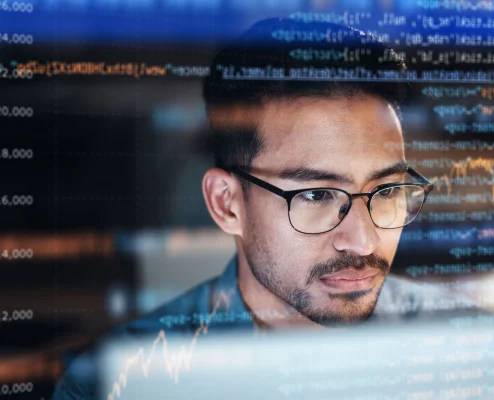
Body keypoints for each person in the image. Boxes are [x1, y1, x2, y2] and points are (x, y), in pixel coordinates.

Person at [52, 17, 461, 400]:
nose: (362, 240)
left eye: (387, 189)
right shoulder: (113, 382)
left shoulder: (462, 341)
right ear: (227, 204)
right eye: (317, 196)